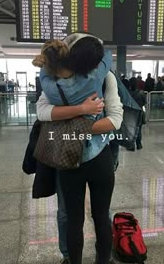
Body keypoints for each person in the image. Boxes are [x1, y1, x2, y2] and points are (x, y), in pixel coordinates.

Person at [33, 34, 123, 264]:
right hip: (99, 157)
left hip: (67, 158)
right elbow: (114, 122)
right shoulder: (103, 77)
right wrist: (84, 111)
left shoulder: (52, 82)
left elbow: (43, 112)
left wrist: (71, 128)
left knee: (73, 219)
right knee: (101, 217)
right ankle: (103, 260)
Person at [128, 77, 146, 150]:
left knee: (130, 130)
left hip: (130, 113)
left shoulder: (127, 92)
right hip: (139, 113)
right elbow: (144, 102)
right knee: (139, 129)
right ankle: (139, 144)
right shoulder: (141, 92)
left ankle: (131, 146)